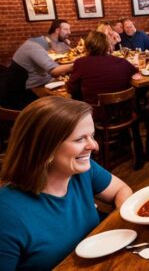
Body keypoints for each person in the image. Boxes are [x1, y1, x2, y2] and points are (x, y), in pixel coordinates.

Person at [0, 97, 132, 270]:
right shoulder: (7, 215)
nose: (94, 146)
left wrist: (123, 225)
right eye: (79, 139)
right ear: (45, 147)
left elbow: (121, 190)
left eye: (92, 136)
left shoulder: (83, 170)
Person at [2, 21, 74, 109]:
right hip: (23, 95)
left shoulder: (45, 42)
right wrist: (79, 64)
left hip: (39, 84)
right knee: (67, 104)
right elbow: (54, 71)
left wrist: (66, 46)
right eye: (66, 29)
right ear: (57, 30)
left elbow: (62, 55)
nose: (69, 32)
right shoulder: (34, 46)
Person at [68, 31, 139, 104]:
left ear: (87, 46)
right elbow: (136, 73)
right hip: (123, 111)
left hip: (92, 112)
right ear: (108, 46)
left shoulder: (80, 63)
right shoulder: (121, 61)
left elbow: (71, 89)